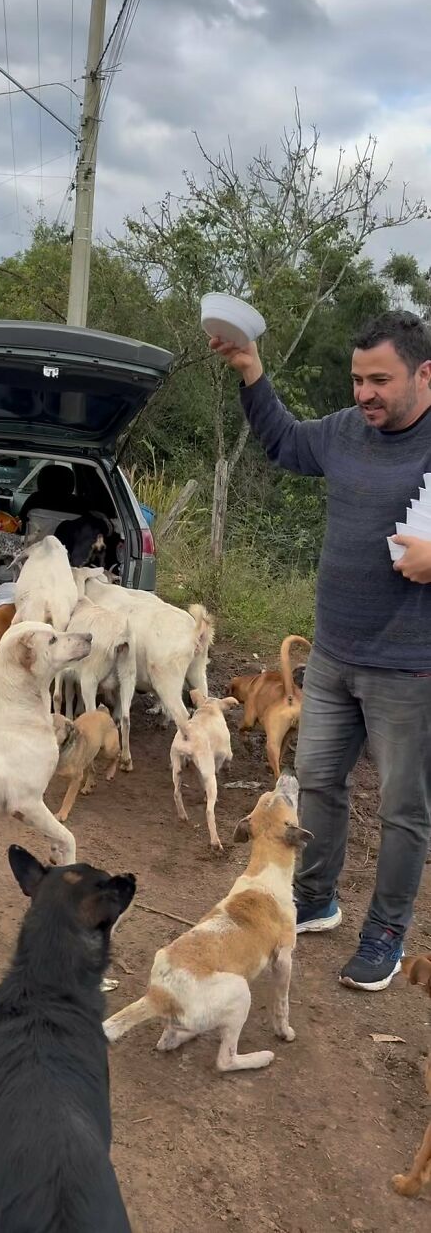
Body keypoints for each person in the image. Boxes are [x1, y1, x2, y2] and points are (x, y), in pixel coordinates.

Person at [212, 310, 431, 992]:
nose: (365, 393)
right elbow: (281, 440)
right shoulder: (344, 431)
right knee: (319, 787)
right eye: (358, 379)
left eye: (381, 380)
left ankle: (387, 931)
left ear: (425, 374)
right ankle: (316, 900)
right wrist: (251, 370)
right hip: (332, 659)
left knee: (402, 809)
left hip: (411, 669)